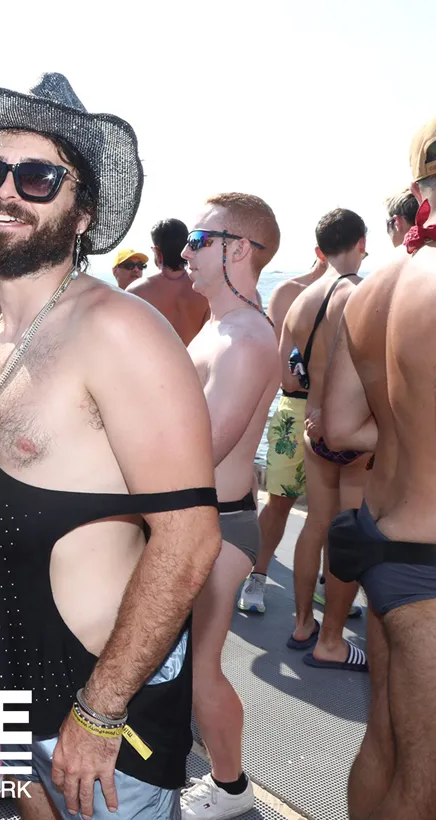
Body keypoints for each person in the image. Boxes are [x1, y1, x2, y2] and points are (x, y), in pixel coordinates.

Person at [0, 71, 222, 820]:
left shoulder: (120, 332)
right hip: (3, 701)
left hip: (99, 719)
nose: (6, 191)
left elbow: (189, 539)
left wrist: (99, 713)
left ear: (84, 213)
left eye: (37, 178)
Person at [321, 115, 436, 820]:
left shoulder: (372, 288)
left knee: (385, 745)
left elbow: (338, 428)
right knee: (428, 786)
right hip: (431, 565)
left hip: (382, 543)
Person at [179, 193, 281, 817]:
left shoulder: (244, 339)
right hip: (199, 520)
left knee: (200, 668)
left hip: (217, 526)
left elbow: (202, 450)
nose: (185, 250)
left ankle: (231, 788)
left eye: (199, 239)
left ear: (238, 249)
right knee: (181, 663)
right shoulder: (219, 326)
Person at [281, 208, 370, 672]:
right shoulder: (360, 294)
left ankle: (302, 625)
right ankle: (332, 640)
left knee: (316, 523)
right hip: (353, 433)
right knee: (348, 531)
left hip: (313, 428)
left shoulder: (299, 300)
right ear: (361, 243)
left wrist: (316, 402)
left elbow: (288, 379)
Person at [238, 252, 328, 613]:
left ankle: (327, 583)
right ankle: (256, 576)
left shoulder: (356, 291)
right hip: (296, 408)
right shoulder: (290, 292)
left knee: (333, 511)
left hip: (337, 412)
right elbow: (284, 371)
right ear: (320, 252)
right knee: (279, 501)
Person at [127, 219, 209, 345]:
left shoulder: (136, 292)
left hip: (154, 358)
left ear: (156, 251)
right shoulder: (205, 289)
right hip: (193, 357)